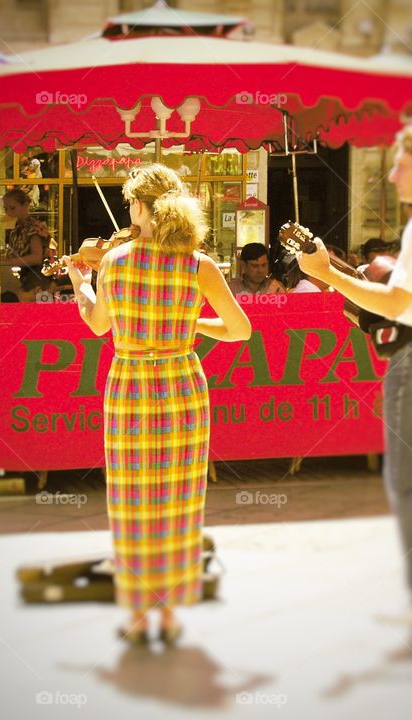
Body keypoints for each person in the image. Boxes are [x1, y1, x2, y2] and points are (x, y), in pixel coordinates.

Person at [297, 124, 412, 627]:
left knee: (408, 481)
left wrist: (331, 276)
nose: (392, 173)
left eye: (401, 163)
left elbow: (398, 302)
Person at [63, 164, 251, 646]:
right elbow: (240, 330)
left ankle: (139, 613)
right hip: (182, 383)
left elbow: (100, 326)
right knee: (181, 503)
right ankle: (168, 613)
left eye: (130, 203)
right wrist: (191, 327)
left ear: (141, 206)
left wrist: (78, 284)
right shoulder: (198, 264)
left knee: (130, 501)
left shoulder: (117, 261)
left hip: (129, 385)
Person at [0, 188, 48, 270]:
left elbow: (37, 258)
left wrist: (10, 262)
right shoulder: (16, 229)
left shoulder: (34, 228)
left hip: (35, 277)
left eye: (12, 208)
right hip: (20, 274)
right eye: (6, 209)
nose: (8, 212)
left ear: (25, 206)